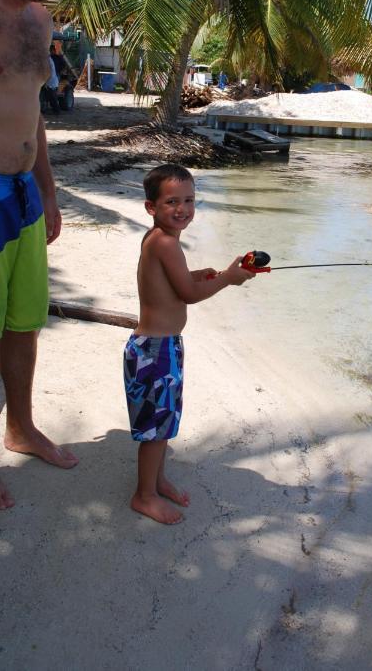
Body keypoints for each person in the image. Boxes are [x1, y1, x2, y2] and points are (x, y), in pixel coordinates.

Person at [0, 0, 79, 510]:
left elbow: (32, 113)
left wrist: (47, 187)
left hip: (22, 192)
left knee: (24, 323)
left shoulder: (40, 21)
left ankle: (19, 426)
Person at [124, 163, 256, 525]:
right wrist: (228, 278)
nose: (182, 209)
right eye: (171, 202)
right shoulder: (165, 243)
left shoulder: (159, 239)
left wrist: (202, 274)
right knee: (155, 429)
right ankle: (144, 495)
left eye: (189, 200)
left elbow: (172, 284)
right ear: (151, 207)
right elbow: (187, 294)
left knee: (162, 424)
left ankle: (157, 480)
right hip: (154, 352)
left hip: (161, 348)